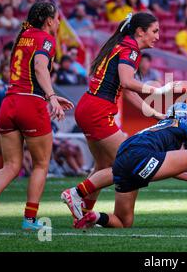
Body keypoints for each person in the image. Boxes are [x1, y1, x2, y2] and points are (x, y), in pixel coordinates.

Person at [0, 1, 74, 231]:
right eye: (57, 18)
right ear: (48, 21)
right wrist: (52, 96)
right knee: (40, 164)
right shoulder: (45, 39)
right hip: (31, 103)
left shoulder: (23, 36)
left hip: (9, 104)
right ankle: (29, 220)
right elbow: (39, 67)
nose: (58, 22)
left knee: (10, 165)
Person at [70, 12, 177, 217]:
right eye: (154, 31)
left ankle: (84, 213)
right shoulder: (131, 50)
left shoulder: (123, 45)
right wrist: (157, 90)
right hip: (97, 110)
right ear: (140, 31)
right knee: (129, 163)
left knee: (103, 165)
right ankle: (76, 193)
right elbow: (128, 83)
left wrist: (155, 114)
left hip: (88, 106)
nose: (157, 36)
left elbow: (126, 91)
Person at [62, 103, 187, 228]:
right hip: (140, 156)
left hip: (124, 158)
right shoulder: (180, 125)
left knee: (123, 222)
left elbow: (164, 165)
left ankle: (91, 215)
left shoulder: (157, 127)